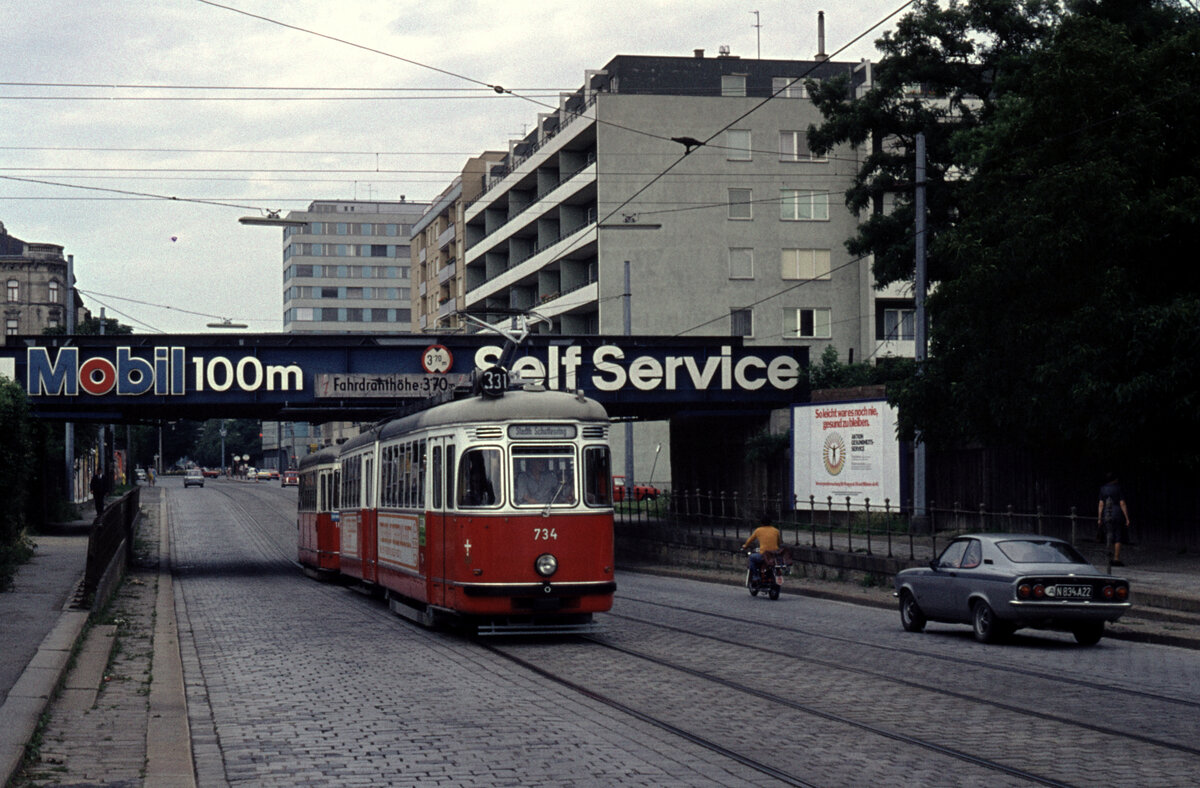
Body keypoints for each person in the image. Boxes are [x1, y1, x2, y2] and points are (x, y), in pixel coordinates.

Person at [1098, 471, 1131, 566]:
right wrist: (1127, 517)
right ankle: (1116, 558)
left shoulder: (1103, 489)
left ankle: (1109, 556)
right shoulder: (1118, 489)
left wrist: (1099, 517)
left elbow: (1101, 504)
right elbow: (1122, 503)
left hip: (1106, 513)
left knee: (1109, 534)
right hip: (1117, 512)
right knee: (1118, 535)